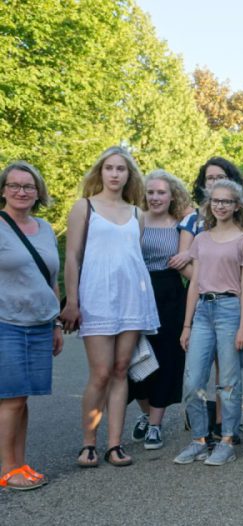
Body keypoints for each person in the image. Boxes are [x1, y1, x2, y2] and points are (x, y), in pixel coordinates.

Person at [60, 147, 160, 468]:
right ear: (100, 172)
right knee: (101, 373)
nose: (115, 174)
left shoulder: (137, 214)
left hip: (132, 299)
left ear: (129, 175)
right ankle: (88, 444)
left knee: (121, 370)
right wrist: (72, 301)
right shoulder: (84, 207)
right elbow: (73, 257)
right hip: (96, 297)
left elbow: (132, 259)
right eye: (109, 168)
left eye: (121, 169)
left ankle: (114, 445)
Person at [173, 180, 243, 467]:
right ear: (209, 204)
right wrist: (186, 325)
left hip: (231, 310)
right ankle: (199, 440)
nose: (221, 206)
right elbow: (194, 283)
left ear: (237, 206)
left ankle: (227, 441)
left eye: (227, 201)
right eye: (216, 201)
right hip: (202, 312)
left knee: (228, 383)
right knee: (193, 380)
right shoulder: (202, 239)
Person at [0, 162, 62, 489]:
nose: (21, 191)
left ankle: (20, 464)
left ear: (38, 192)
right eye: (14, 185)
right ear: (3, 190)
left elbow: (51, 279)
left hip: (40, 324)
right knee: (11, 398)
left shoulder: (45, 228)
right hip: (6, 323)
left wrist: (55, 324)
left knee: (22, 399)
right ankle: (7, 469)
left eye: (28, 186)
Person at [127, 170, 191, 450]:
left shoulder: (181, 225)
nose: (155, 197)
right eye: (150, 192)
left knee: (166, 358)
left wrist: (187, 255)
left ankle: (155, 424)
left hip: (170, 294)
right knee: (133, 357)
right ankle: (144, 412)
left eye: (161, 192)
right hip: (137, 292)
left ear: (172, 196)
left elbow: (193, 259)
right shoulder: (133, 220)